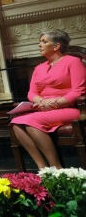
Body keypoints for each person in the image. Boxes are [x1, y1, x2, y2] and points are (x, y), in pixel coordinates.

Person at [11, 30, 86, 169]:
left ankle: (56, 167)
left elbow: (78, 91)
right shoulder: (39, 68)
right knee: (15, 123)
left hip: (69, 108)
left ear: (56, 46)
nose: (39, 45)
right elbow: (32, 92)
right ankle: (43, 168)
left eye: (44, 42)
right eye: (40, 42)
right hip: (44, 108)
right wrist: (41, 101)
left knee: (31, 122)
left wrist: (56, 103)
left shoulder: (73, 62)